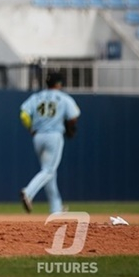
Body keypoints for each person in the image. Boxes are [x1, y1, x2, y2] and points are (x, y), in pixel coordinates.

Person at [19, 71, 81, 214]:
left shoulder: (36, 97)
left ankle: (56, 209)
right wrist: (70, 126)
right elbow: (74, 116)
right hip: (54, 136)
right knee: (48, 170)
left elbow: (23, 114)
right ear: (59, 84)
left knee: (49, 173)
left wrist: (30, 128)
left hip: (38, 137)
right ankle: (28, 192)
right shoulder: (63, 97)